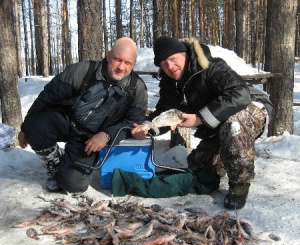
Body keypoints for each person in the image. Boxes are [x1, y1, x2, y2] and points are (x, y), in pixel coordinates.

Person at [132, 36, 272, 210]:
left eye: (173, 59)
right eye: (164, 63)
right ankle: (226, 155)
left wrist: (199, 118)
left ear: (184, 54)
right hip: (217, 125)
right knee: (198, 169)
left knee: (234, 124)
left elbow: (240, 95)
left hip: (251, 108)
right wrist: (149, 128)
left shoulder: (211, 66)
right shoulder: (170, 84)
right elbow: (164, 113)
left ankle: (240, 184)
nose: (170, 66)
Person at [18, 37, 148, 193]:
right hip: (65, 120)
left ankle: (65, 167)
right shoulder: (83, 70)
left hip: (89, 138)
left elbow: (134, 121)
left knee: (74, 186)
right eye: (117, 60)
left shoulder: (137, 88)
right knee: (34, 127)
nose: (121, 67)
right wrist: (25, 127)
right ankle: (54, 162)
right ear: (108, 55)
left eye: (128, 63)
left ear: (134, 64)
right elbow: (47, 96)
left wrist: (107, 135)